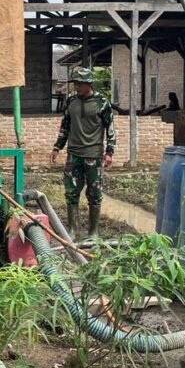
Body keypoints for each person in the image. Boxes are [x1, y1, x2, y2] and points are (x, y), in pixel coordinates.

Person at [51, 66, 116, 239]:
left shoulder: (102, 102)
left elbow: (110, 129)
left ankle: (93, 232)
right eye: (75, 84)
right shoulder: (71, 101)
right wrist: (57, 147)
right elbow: (65, 125)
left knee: (94, 193)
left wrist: (109, 152)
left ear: (89, 84)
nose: (77, 88)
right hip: (74, 154)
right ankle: (73, 230)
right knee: (71, 192)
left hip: (93, 155)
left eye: (80, 84)